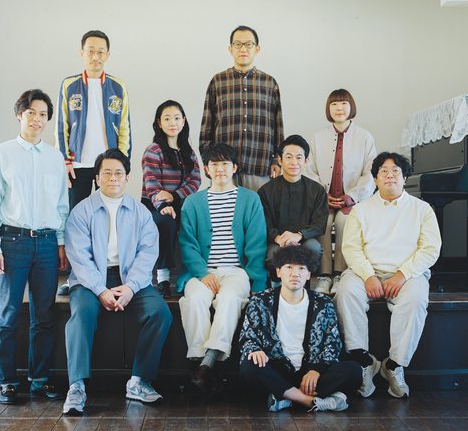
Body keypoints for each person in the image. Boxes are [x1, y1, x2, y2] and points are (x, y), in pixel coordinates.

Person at [62, 149, 173, 416]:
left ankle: (138, 381)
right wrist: (100, 290)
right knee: (81, 314)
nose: (113, 178)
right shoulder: (81, 211)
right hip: (90, 280)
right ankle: (76, 386)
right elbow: (79, 258)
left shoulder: (140, 212)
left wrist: (131, 287)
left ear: (127, 178)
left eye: (119, 173)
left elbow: (148, 254)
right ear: (97, 178)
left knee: (160, 312)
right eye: (107, 173)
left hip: (131, 278)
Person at [0, 89, 69, 405]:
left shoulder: (55, 157)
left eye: (43, 114)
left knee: (43, 315)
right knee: (8, 314)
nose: (37, 119)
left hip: (47, 242)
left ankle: (39, 380)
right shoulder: (1, 153)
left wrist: (60, 242)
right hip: (12, 242)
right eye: (31, 112)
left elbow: (61, 205)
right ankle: (7, 382)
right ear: (20, 115)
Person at [334, 152, 441, 399]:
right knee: (345, 292)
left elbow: (430, 249)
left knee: (416, 299)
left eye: (396, 171)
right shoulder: (360, 210)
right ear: (375, 179)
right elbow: (351, 248)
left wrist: (403, 274)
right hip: (365, 271)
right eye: (383, 171)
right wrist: (368, 275)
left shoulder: (422, 209)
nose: (390, 175)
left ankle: (393, 365)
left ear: (405, 178)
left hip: (407, 273)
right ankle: (364, 362)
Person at [177, 143, 267, 395]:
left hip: (236, 271)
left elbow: (257, 243)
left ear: (234, 167)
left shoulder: (250, 199)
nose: (220, 169)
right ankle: (204, 365)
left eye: (225, 164)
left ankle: (205, 365)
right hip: (202, 271)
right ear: (206, 169)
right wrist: (202, 273)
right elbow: (187, 243)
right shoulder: (193, 202)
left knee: (229, 298)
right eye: (214, 164)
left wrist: (257, 281)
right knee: (195, 299)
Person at [239, 246, 361, 412]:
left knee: (354, 370)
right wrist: (255, 350)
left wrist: (316, 371)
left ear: (309, 274)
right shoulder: (261, 301)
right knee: (249, 366)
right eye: (289, 267)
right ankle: (307, 401)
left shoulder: (323, 303)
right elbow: (248, 336)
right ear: (278, 272)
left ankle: (284, 398)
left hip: (311, 374)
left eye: (301, 268)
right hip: (277, 369)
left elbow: (333, 343)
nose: (295, 274)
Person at [56, 30, 131, 295]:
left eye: (101, 52)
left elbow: (124, 127)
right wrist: (64, 161)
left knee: (107, 220)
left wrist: (122, 164)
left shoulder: (118, 86)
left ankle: (108, 274)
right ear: (82, 53)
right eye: (90, 51)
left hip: (107, 167)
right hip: (77, 164)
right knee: (76, 221)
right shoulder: (70, 85)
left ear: (107, 54)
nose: (95, 56)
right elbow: (62, 125)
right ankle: (75, 276)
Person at [306, 89, 376, 293]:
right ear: (328, 109)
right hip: (324, 200)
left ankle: (339, 275)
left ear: (351, 107)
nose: (339, 108)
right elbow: (309, 171)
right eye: (334, 104)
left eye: (344, 103)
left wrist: (351, 196)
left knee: (344, 222)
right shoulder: (317, 137)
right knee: (323, 222)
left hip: (352, 200)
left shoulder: (364, 137)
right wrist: (322, 196)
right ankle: (324, 276)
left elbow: (370, 173)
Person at [199, 25, 284, 191]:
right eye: (237, 44)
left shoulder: (269, 83)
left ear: (257, 49)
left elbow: (278, 127)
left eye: (248, 44)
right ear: (230, 49)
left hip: (260, 166)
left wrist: (277, 160)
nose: (243, 49)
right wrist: (208, 161)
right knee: (224, 208)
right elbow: (206, 128)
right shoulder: (218, 81)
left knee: (258, 208)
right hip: (224, 168)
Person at [141, 100, 201, 298]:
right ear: (159, 123)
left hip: (180, 203)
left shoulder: (188, 152)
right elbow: (151, 184)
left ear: (183, 121)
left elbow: (195, 180)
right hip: (154, 205)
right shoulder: (153, 150)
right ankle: (163, 279)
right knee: (166, 222)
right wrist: (163, 205)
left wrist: (175, 196)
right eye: (167, 119)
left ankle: (193, 273)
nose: (172, 122)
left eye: (176, 118)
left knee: (198, 220)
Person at [257, 135, 328, 286]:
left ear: (306, 161)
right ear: (280, 160)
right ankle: (277, 287)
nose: (294, 162)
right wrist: (278, 238)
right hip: (277, 242)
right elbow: (263, 223)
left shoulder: (317, 190)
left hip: (304, 240)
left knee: (313, 248)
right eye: (288, 157)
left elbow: (319, 224)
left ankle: (305, 286)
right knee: (271, 254)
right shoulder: (265, 191)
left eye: (299, 157)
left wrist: (299, 235)